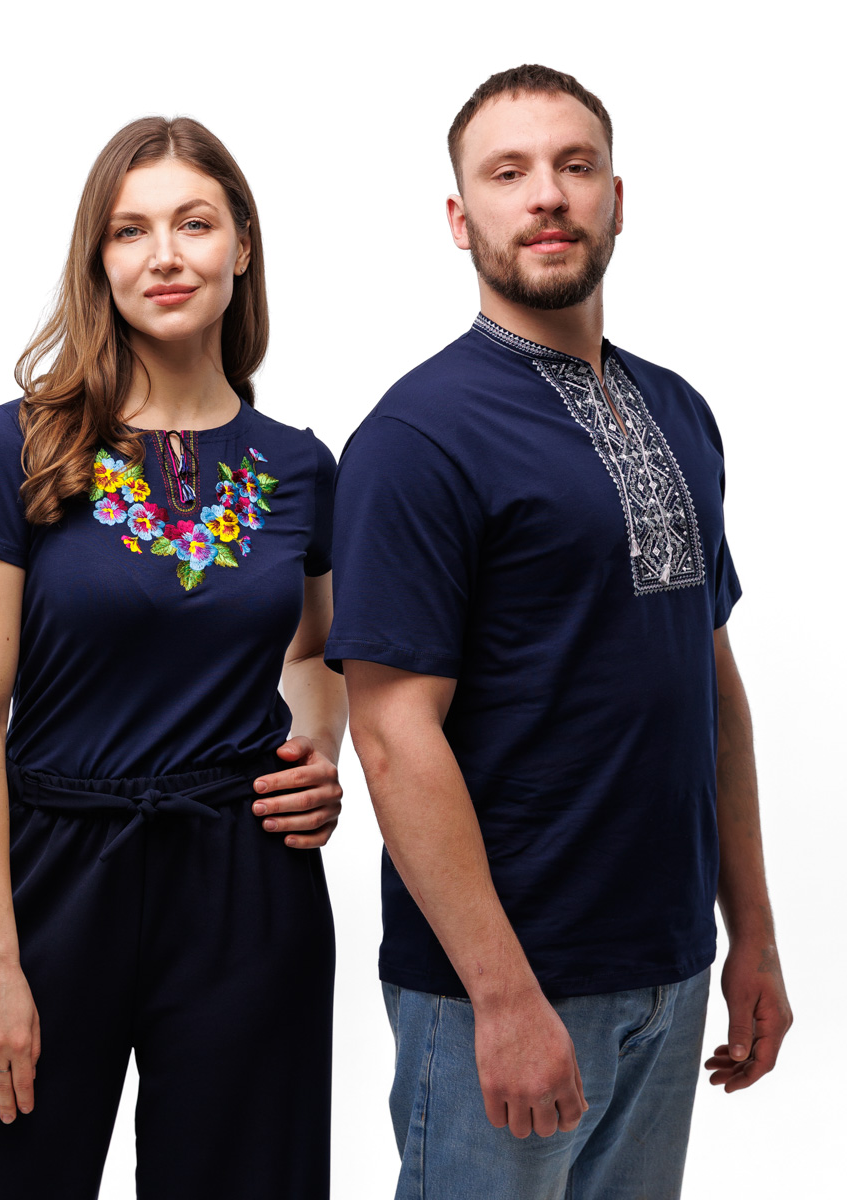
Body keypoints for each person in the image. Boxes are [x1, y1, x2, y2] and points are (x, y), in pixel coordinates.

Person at [325, 65, 792, 1199]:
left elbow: (712, 689)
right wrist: (501, 997)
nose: (547, 194)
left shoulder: (679, 409)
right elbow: (391, 735)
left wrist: (754, 935)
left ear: (615, 201)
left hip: (671, 967)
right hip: (503, 984)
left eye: (575, 167)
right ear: (460, 219)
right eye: (509, 172)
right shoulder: (415, 436)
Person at [0, 116, 346, 1200]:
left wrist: (317, 749)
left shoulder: (301, 467)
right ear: (98, 260)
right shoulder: (20, 446)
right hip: (54, 875)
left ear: (241, 245)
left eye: (194, 224)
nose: (165, 255)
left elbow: (318, 648)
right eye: (130, 230)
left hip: (247, 884)